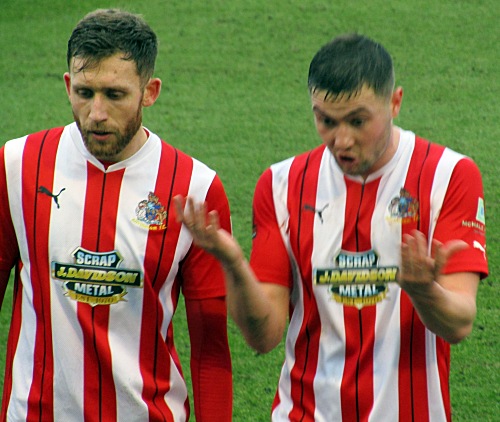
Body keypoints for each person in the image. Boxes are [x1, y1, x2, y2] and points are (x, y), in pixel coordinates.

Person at [175, 33, 488, 421]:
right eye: (326, 121)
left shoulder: (450, 175)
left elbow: (459, 322)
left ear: (395, 102)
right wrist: (234, 263)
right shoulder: (280, 184)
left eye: (358, 121)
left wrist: (423, 291)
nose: (341, 140)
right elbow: (264, 336)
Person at [0, 9, 232, 421]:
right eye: (85, 93)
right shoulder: (17, 167)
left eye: (115, 94)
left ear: (150, 91)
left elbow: (211, 350)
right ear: (68, 85)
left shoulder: (195, 188)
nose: (97, 113)